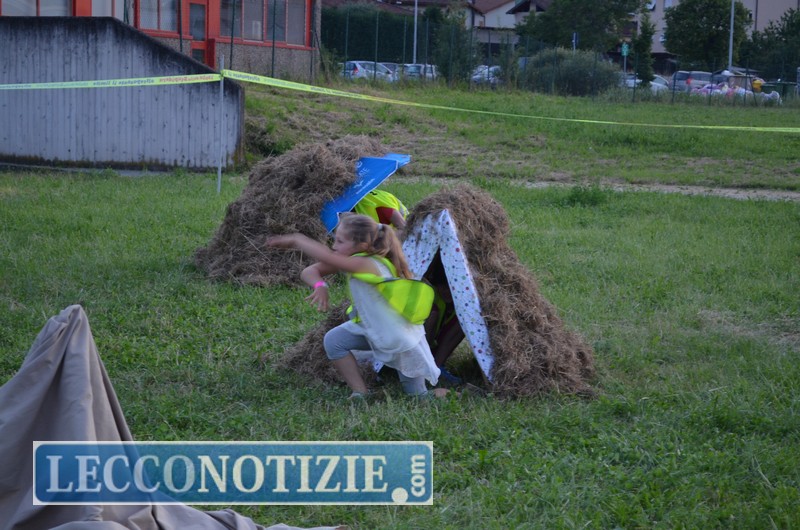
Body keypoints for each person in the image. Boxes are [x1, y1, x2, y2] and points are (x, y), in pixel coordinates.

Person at [268, 214, 444, 399]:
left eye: (340, 241)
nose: (334, 246)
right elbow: (310, 271)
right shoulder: (355, 260)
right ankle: (360, 393)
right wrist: (320, 285)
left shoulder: (366, 263)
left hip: (397, 337)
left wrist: (297, 240)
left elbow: (327, 256)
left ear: (361, 245)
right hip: (372, 328)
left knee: (419, 397)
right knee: (334, 341)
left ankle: (449, 394)